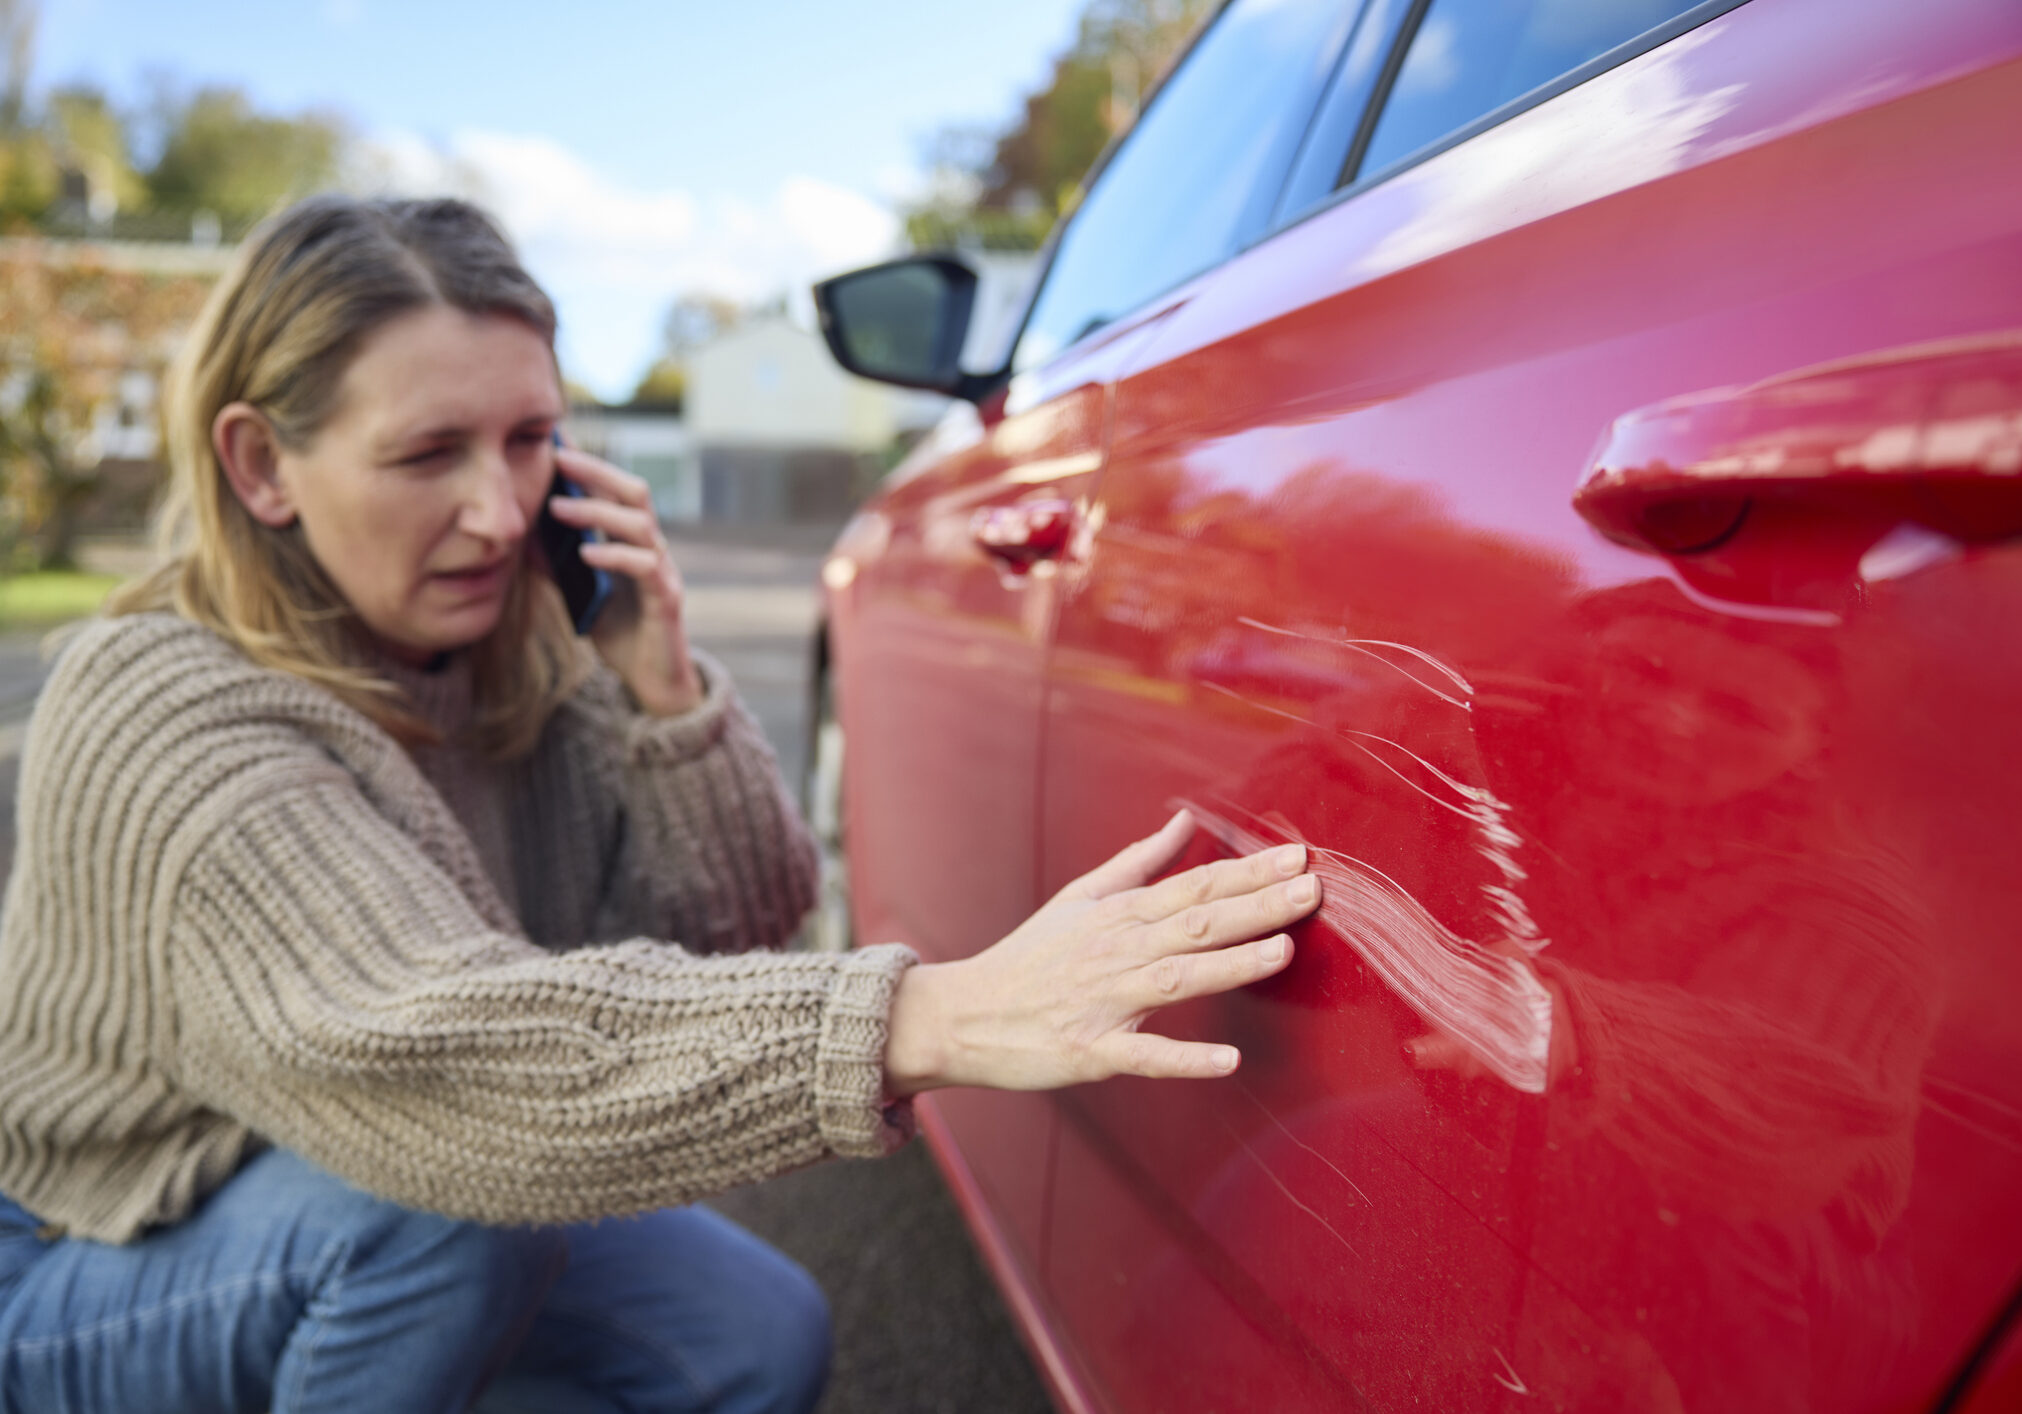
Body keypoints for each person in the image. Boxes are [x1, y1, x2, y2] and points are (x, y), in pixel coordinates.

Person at [0, 195, 1317, 1414]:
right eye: (426, 452)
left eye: (530, 441)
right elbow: (429, 1056)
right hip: (96, 1243)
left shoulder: (516, 658)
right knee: (449, 1219)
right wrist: (936, 1012)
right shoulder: (163, 708)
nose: (501, 512)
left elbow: (729, 936)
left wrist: (661, 684)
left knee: (755, 1335)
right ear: (260, 465)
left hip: (335, 1208)